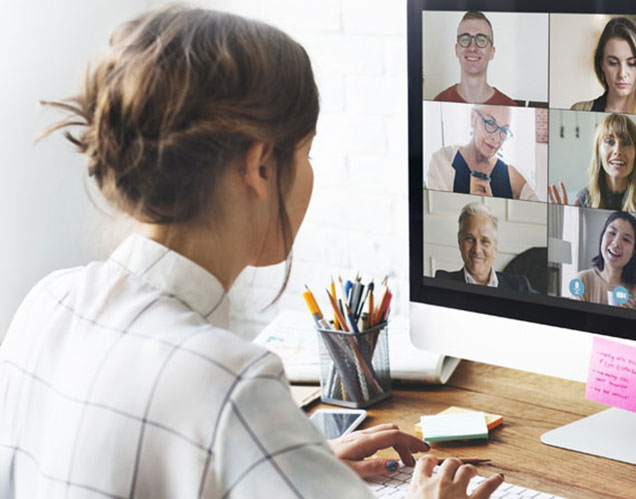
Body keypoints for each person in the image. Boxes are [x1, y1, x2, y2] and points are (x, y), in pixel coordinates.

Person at [0, 7, 503, 499]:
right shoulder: (230, 383)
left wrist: (286, 461)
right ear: (259, 165)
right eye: (305, 153)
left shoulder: (47, 303)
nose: (308, 175)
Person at [549, 113, 636, 216]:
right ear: (598, 151)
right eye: (609, 141)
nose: (617, 151)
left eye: (626, 143)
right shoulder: (584, 199)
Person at [426, 104, 539, 200]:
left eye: (504, 130)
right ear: (473, 118)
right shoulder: (442, 160)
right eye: (490, 123)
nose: (496, 137)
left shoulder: (512, 176)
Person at [434, 203, 536, 292]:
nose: (477, 249)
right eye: (469, 239)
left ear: (495, 248)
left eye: (485, 241)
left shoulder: (519, 286)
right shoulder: (443, 281)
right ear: (460, 242)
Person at [571, 17, 636, 115]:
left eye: (632, 63)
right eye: (613, 63)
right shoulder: (579, 111)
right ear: (602, 64)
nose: (622, 74)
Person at [571, 211, 636, 311]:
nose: (616, 243)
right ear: (602, 236)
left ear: (633, 251)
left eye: (626, 239)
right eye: (612, 233)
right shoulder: (582, 280)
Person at [433, 11, 517, 106]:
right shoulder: (439, 103)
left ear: (491, 52)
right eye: (465, 39)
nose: (472, 48)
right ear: (456, 50)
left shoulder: (510, 107)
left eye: (481, 40)